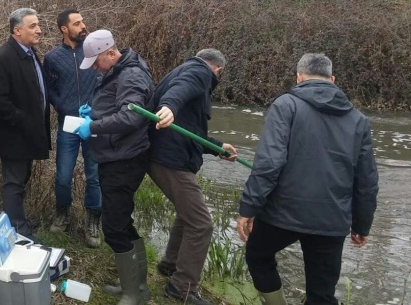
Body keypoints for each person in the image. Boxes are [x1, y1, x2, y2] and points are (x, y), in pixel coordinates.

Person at [237, 54, 379, 305]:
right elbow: (366, 180)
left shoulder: (285, 105)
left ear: (299, 77)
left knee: (258, 255)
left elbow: (270, 163)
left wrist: (249, 207)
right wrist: (361, 224)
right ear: (332, 80)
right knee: (321, 292)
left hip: (283, 213)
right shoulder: (359, 119)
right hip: (332, 218)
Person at [147, 48, 238, 305]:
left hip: (164, 157)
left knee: (187, 216)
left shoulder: (182, 69)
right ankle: (182, 288)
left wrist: (218, 147)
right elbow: (179, 92)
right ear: (218, 69)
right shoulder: (199, 72)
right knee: (201, 224)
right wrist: (169, 108)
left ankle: (169, 265)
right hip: (171, 161)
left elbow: (189, 129)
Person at [73, 29, 153, 305]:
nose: (95, 67)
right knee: (122, 221)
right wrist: (92, 111)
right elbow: (114, 107)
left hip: (125, 159)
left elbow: (130, 117)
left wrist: (92, 126)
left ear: (110, 52)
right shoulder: (117, 70)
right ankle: (137, 285)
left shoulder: (131, 75)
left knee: (114, 227)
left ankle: (133, 294)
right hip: (114, 155)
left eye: (96, 61)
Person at [0, 8, 50, 241]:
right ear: (17, 30)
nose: (39, 30)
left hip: (28, 133)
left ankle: (17, 217)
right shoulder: (4, 58)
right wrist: (23, 119)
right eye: (33, 26)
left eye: (38, 25)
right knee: (13, 182)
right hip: (13, 136)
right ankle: (18, 230)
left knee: (22, 179)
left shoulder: (30, 53)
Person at [43, 9, 102, 247]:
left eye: (83, 22)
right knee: (63, 175)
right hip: (67, 123)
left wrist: (98, 108)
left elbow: (106, 81)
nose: (83, 26)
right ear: (64, 29)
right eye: (77, 23)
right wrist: (61, 106)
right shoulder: (53, 57)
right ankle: (62, 214)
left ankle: (93, 222)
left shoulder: (93, 51)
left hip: (93, 121)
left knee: (94, 175)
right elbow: (47, 89)